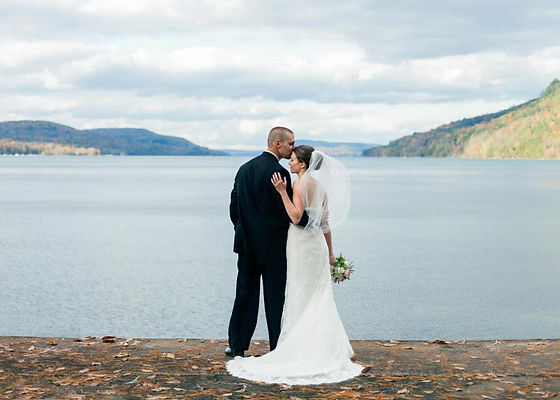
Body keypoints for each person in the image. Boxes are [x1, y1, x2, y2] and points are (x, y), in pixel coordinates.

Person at [226, 145, 363, 385]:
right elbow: (325, 224)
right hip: (316, 246)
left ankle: (243, 345)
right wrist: (331, 253)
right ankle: (298, 343)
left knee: (292, 292)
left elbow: (295, 217)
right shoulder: (321, 188)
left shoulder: (287, 181)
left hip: (290, 244)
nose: (289, 161)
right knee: (313, 294)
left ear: (302, 164)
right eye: (289, 154)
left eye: (293, 159)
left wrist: (281, 193)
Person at [226, 127, 308, 358]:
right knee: (275, 297)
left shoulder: (244, 169)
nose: (293, 147)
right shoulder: (278, 172)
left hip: (247, 244)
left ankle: (237, 345)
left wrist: (242, 229)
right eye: (291, 143)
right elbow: (287, 212)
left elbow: (234, 207)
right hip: (274, 246)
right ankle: (277, 345)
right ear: (278, 144)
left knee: (244, 293)